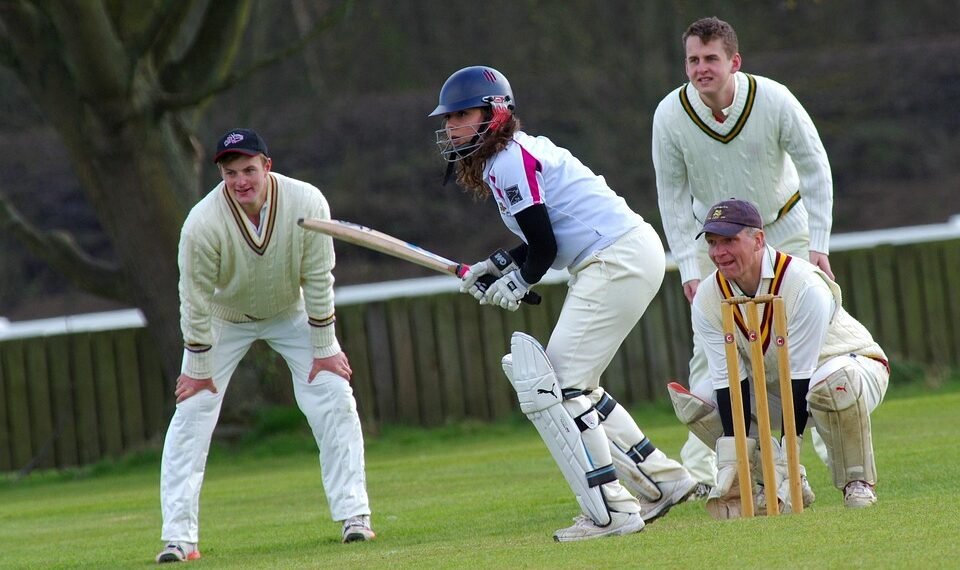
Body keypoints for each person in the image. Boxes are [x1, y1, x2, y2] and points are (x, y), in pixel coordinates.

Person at [428, 66, 697, 542]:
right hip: (621, 254)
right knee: (579, 386)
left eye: (462, 116)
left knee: (561, 387)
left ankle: (612, 510)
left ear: (495, 113)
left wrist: (516, 282)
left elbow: (544, 249)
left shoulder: (510, 158)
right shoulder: (507, 158)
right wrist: (497, 266)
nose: (451, 127)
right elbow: (539, 242)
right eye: (448, 118)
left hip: (615, 257)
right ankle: (662, 482)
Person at [156, 129, 374, 563]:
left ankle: (355, 516)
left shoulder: (307, 201)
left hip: (290, 311)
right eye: (231, 172)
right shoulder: (202, 224)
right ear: (221, 173)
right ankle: (179, 539)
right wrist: (198, 368)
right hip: (223, 318)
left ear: (267, 167)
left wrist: (325, 346)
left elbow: (318, 275)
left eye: (249, 170)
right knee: (191, 415)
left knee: (334, 396)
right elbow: (194, 298)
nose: (241, 181)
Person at [652, 16, 836, 497]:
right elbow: (671, 196)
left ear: (734, 61)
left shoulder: (774, 99)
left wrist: (818, 245)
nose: (701, 69)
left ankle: (834, 463)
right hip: (713, 239)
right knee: (709, 351)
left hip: (784, 228)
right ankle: (715, 472)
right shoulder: (669, 115)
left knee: (813, 346)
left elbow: (816, 166)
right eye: (693, 60)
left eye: (711, 59)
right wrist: (690, 268)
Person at [688, 198, 888, 518]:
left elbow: (801, 375)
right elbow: (729, 383)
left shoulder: (802, 283)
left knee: (831, 382)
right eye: (712, 243)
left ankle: (857, 481)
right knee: (698, 401)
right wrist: (733, 454)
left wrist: (788, 455)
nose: (718, 252)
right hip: (778, 385)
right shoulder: (709, 298)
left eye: (729, 241)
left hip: (852, 367)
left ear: (758, 240)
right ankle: (768, 481)